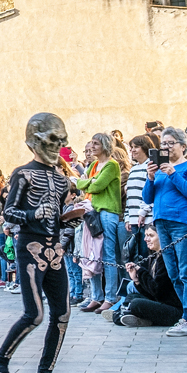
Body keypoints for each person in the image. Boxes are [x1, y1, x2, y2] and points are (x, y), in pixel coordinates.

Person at [0, 112, 74, 373]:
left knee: (62, 314)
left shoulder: (63, 180)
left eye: (61, 141)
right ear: (36, 142)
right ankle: (0, 360)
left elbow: (59, 218)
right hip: (30, 249)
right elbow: (8, 212)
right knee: (35, 313)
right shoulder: (22, 174)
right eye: (53, 140)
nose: (58, 146)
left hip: (55, 251)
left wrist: (70, 220)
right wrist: (33, 213)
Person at [140, 127, 187, 336]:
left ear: (183, 146)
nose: (166, 147)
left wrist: (173, 173)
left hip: (183, 222)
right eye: (163, 144)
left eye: (170, 143)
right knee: (173, 273)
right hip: (161, 223)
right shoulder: (158, 170)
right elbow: (147, 198)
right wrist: (150, 178)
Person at [72, 133, 124, 313]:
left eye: (96, 143)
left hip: (108, 212)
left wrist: (87, 182)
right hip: (92, 212)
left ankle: (110, 297)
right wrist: (86, 182)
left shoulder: (112, 165)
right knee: (91, 254)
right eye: (91, 143)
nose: (92, 147)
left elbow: (96, 186)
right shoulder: (94, 165)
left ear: (105, 145)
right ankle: (96, 296)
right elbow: (81, 183)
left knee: (108, 255)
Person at [116, 227, 187, 328]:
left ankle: (128, 314)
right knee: (133, 296)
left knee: (136, 304)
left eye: (151, 235)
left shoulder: (167, 259)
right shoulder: (155, 257)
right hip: (162, 302)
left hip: (176, 311)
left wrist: (140, 272)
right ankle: (132, 316)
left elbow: (157, 291)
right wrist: (137, 281)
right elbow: (152, 293)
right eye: (146, 235)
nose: (146, 239)